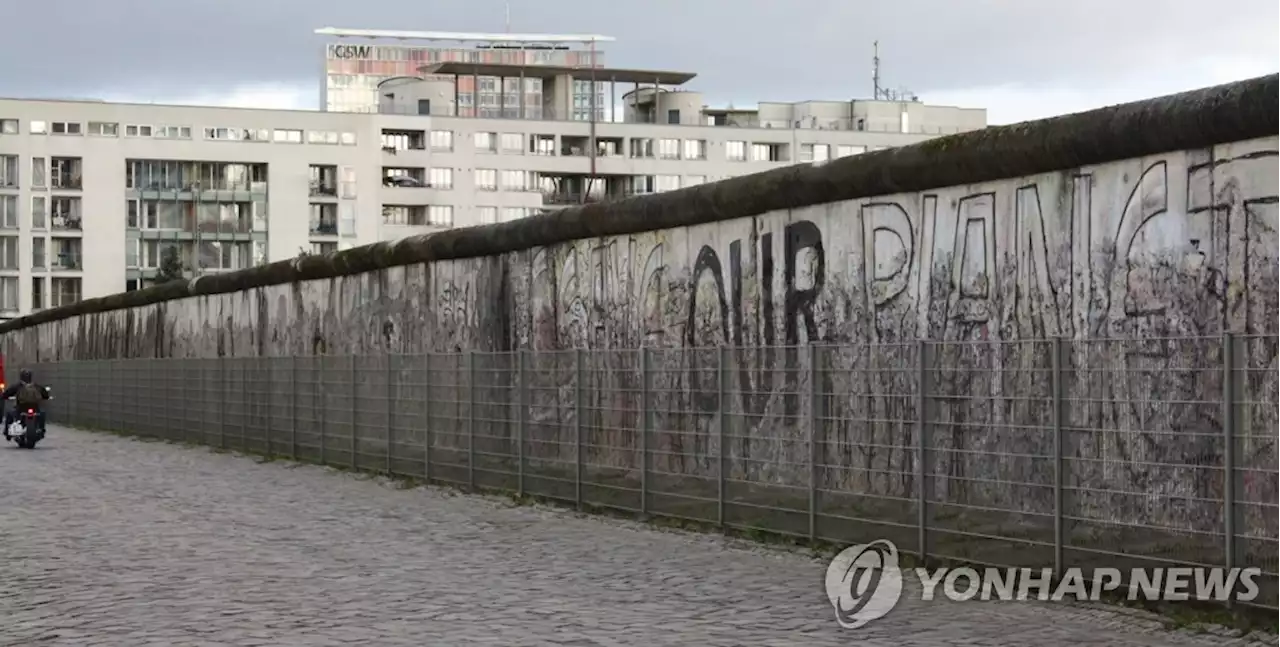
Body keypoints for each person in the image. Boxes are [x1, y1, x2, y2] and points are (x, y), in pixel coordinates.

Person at [2, 369, 50, 434]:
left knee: (9, 414)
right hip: (35, 407)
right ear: (30, 377)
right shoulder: (36, 386)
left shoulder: (17, 386)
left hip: (21, 407)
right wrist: (46, 397)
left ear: (21, 377)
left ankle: (7, 431)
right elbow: (45, 395)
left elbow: (6, 393)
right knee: (42, 413)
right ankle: (41, 429)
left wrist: (4, 397)